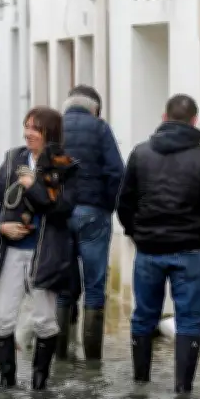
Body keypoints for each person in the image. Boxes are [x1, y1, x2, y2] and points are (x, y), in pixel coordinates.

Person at [118, 93, 200, 394]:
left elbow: (124, 203)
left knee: (143, 316)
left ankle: (140, 382)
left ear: (164, 118)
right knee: (189, 320)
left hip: (149, 250)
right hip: (189, 251)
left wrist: (136, 234)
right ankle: (183, 389)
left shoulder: (141, 154)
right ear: (194, 120)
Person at [0, 106, 79, 390]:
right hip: (9, 251)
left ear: (50, 133)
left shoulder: (66, 167)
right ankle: (7, 384)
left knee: (45, 321)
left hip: (45, 254)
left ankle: (39, 386)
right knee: (2, 320)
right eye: (26, 126)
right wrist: (1, 225)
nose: (27, 133)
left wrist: (33, 186)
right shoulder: (13, 160)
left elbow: (61, 209)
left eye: (35, 128)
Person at [56, 85, 124, 361]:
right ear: (94, 108)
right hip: (93, 214)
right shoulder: (100, 129)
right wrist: (108, 206)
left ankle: (62, 356)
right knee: (95, 286)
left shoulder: (55, 128)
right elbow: (116, 172)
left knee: (63, 286)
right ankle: (93, 362)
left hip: (60, 216)